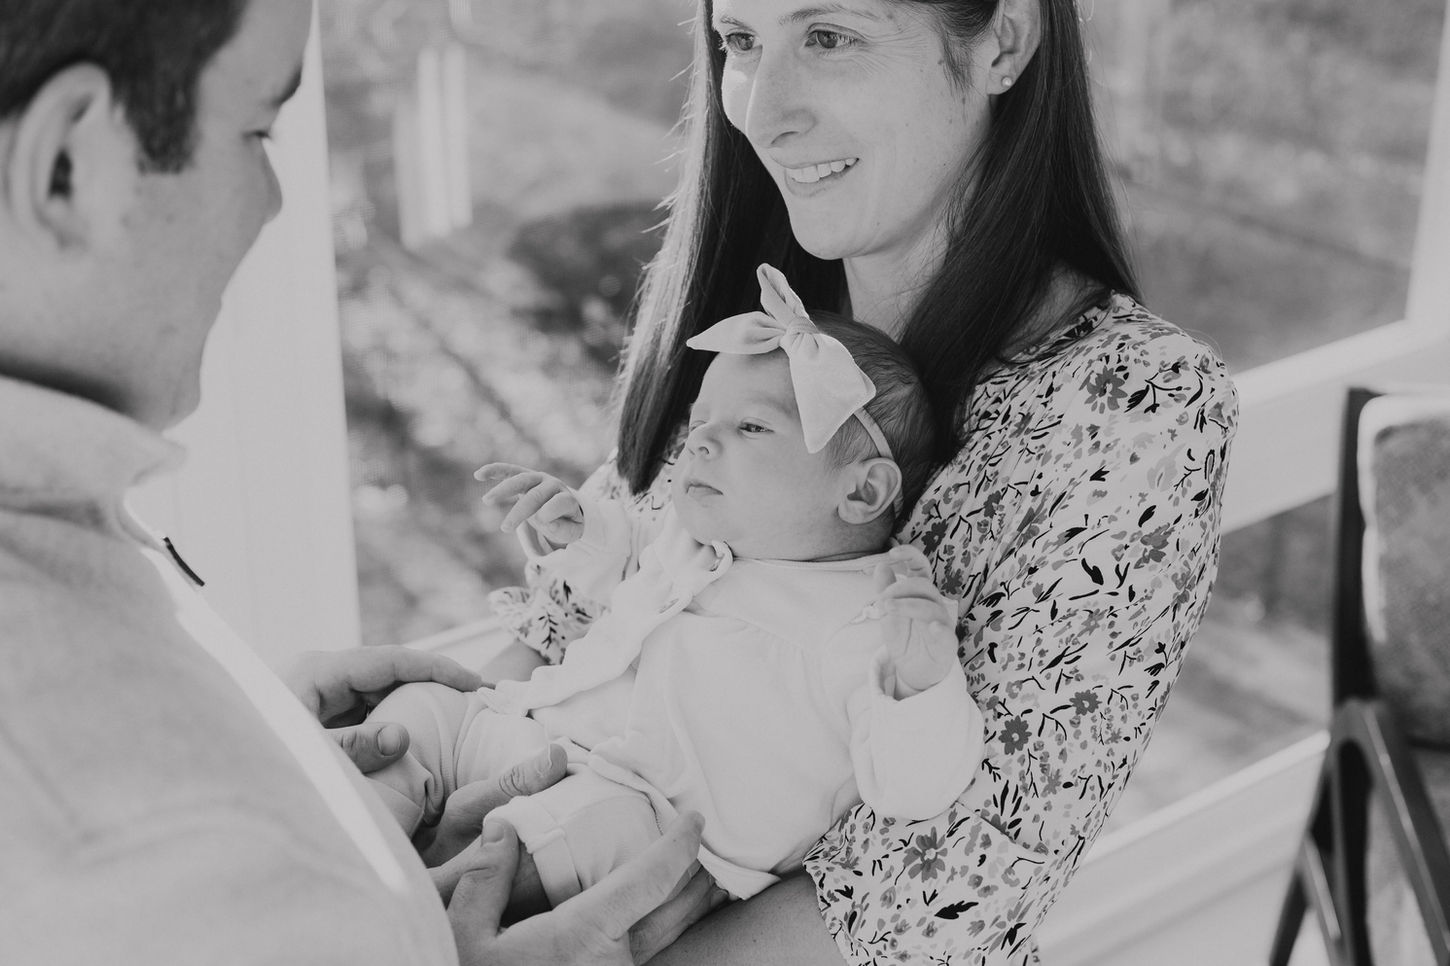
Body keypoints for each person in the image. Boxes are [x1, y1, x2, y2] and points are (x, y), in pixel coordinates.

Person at [481, 0, 1241, 963]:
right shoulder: (764, 331)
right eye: (742, 42)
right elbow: (567, 638)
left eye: (830, 37)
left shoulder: (1134, 402)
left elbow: (944, 890)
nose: (763, 110)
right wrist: (410, 763)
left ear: (1001, 40)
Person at [0, 1, 714, 964]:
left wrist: (263, 747)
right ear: (65, 168)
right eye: (255, 127)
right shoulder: (153, 848)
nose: (275, 202)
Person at [369, 265, 982, 915]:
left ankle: (408, 915)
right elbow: (628, 558)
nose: (702, 443)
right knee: (424, 710)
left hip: (650, 829)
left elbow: (917, 790)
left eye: (751, 428)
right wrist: (579, 529)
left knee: (576, 831)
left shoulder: (864, 621)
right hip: (536, 731)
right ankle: (361, 834)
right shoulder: (694, 538)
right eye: (700, 424)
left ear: (860, 491)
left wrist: (920, 684)